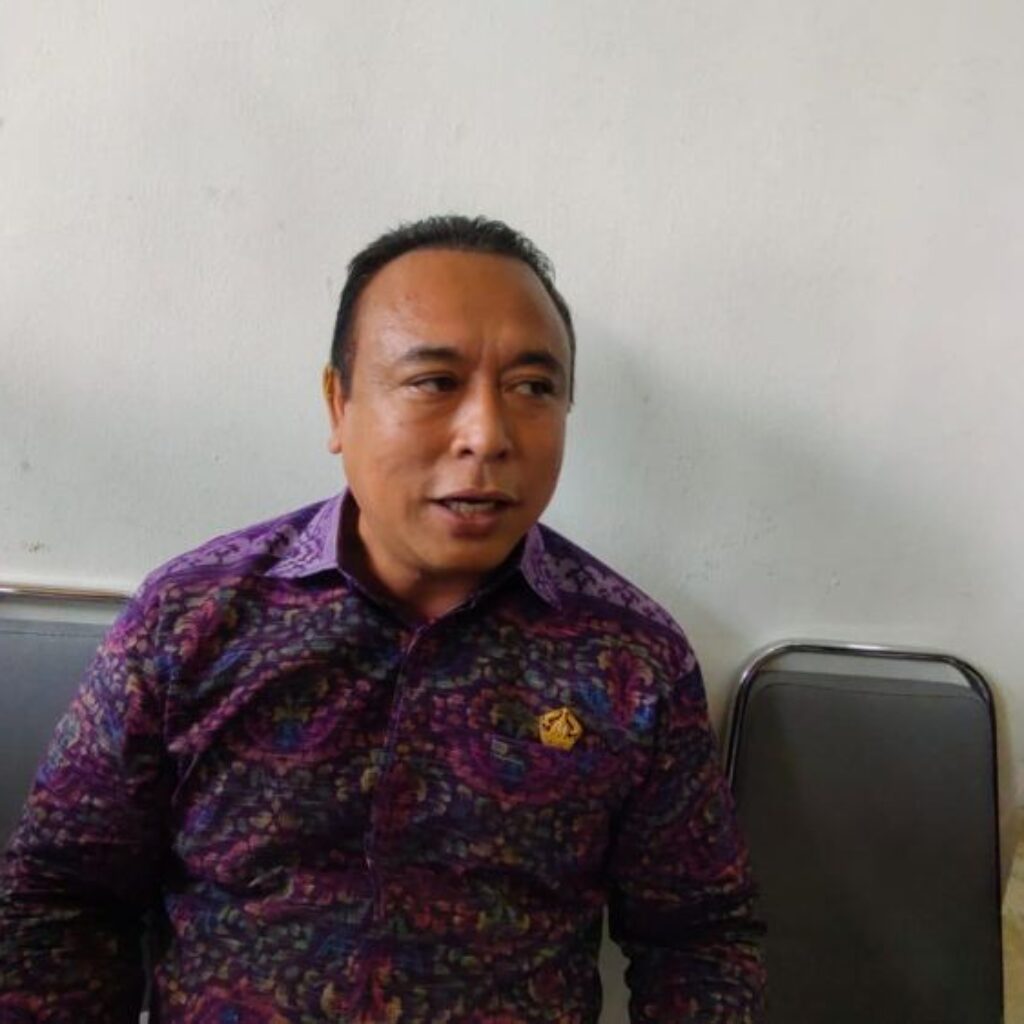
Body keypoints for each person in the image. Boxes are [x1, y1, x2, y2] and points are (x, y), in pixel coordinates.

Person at [0, 215, 765, 1022]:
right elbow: (62, 897)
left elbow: (700, 937)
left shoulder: (628, 659)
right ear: (339, 404)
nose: (487, 435)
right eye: (435, 382)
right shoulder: (191, 620)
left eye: (533, 388)